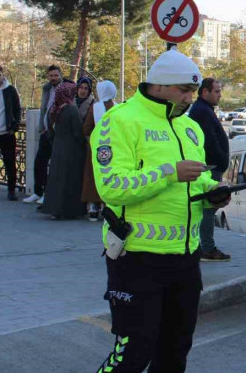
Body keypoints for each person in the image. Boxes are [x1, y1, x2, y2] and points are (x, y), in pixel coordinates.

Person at [92, 48, 227, 373]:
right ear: (161, 85)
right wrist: (169, 172)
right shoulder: (119, 121)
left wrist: (212, 193)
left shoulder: (189, 127)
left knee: (175, 351)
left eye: (194, 91)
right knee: (133, 353)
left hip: (185, 259)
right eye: (185, 90)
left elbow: (196, 180)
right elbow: (111, 187)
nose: (190, 97)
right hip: (137, 259)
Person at [189, 77, 231, 262]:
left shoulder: (205, 110)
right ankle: (206, 248)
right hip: (209, 169)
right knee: (208, 209)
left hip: (213, 167)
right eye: (217, 91)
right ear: (205, 92)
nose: (220, 95)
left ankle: (204, 246)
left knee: (209, 209)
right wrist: (220, 160)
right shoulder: (201, 111)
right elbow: (209, 143)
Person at [41, 82, 86, 219]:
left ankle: (53, 208)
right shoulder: (71, 110)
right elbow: (78, 132)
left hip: (57, 147)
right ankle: (68, 210)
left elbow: (49, 129)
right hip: (71, 149)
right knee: (69, 179)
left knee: (56, 178)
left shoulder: (54, 108)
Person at [24, 65, 64, 204]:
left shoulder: (65, 89)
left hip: (58, 133)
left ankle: (48, 194)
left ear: (60, 75)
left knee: (54, 165)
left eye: (56, 75)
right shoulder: (47, 88)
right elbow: (44, 108)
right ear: (48, 76)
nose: (53, 78)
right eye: (51, 75)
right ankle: (37, 191)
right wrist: (42, 126)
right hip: (46, 132)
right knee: (39, 162)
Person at [82, 80, 118, 221]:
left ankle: (94, 207)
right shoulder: (118, 107)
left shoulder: (95, 107)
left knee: (94, 176)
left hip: (96, 148)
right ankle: (108, 205)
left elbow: (86, 128)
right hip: (115, 148)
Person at [0, 65, 22, 200]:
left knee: (10, 163)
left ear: (2, 75)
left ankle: (11, 191)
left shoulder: (10, 90)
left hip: (6, 133)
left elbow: (17, 108)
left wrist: (14, 126)